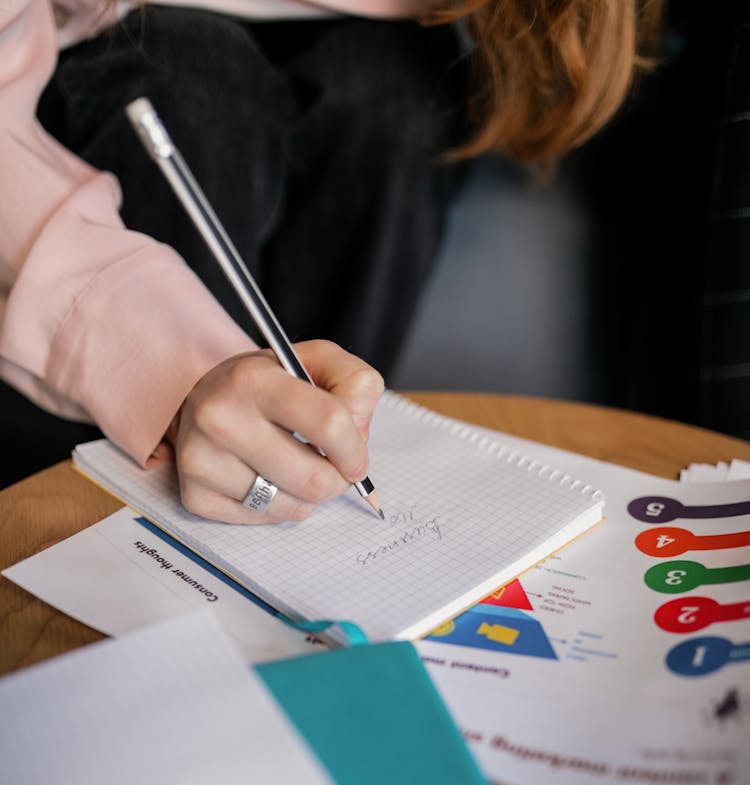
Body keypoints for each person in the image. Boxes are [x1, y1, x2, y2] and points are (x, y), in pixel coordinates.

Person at [0, 0, 664, 517]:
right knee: (198, 90)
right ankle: (177, 485)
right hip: (99, 49)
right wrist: (173, 372)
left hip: (382, 60)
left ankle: (314, 465)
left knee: (395, 99)